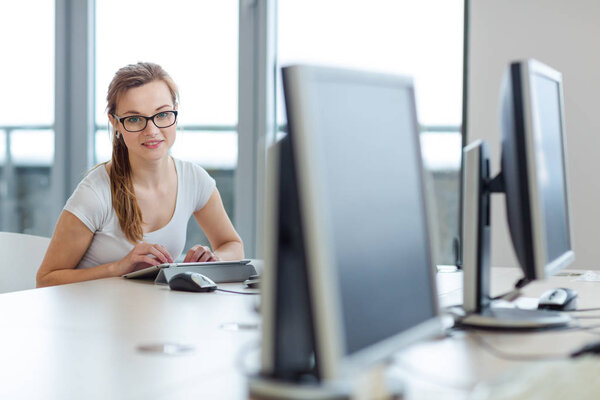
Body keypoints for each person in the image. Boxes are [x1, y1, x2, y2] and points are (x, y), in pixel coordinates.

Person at [36, 62, 244, 287]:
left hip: (150, 315)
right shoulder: (95, 192)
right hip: (91, 317)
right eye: (135, 119)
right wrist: (119, 268)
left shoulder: (194, 180)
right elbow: (46, 279)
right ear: (115, 122)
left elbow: (232, 244)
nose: (152, 131)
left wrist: (213, 260)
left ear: (175, 111)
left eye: (162, 114)